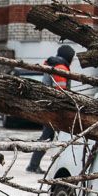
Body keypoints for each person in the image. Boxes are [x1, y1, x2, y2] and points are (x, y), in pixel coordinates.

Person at [27, 45, 72, 173]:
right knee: (47, 137)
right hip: (54, 109)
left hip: (48, 106)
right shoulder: (61, 68)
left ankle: (34, 164)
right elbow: (61, 91)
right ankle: (33, 165)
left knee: (48, 136)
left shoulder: (52, 65)